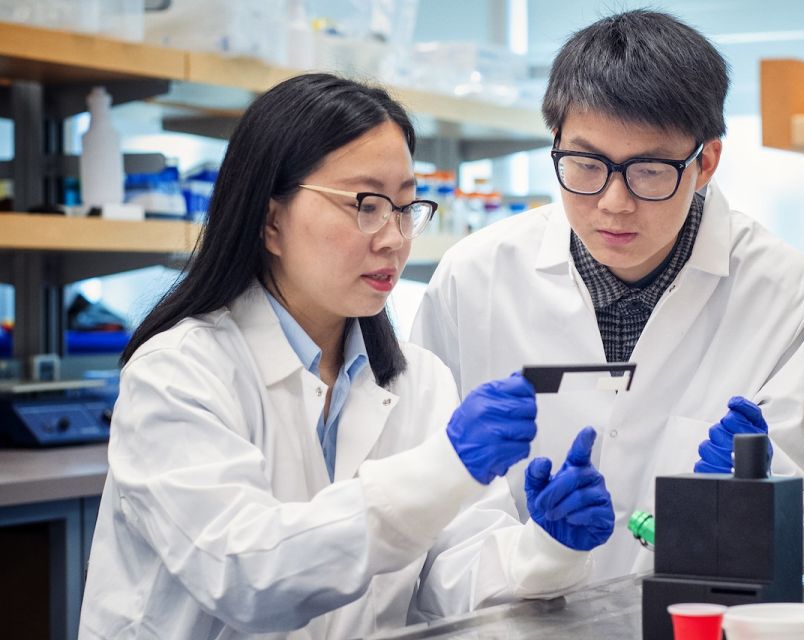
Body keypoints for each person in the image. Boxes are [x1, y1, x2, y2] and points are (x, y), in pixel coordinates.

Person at [80, 74, 615, 639]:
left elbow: (446, 577)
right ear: (270, 220)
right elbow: (246, 575)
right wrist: (444, 467)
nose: (393, 238)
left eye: (406, 206)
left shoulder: (418, 380)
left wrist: (547, 547)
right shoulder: (177, 373)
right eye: (366, 204)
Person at [411, 10, 804, 583]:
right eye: (586, 165)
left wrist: (754, 504)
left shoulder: (784, 291)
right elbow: (428, 514)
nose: (613, 202)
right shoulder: (474, 276)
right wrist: (530, 559)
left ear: (705, 162)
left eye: (650, 170)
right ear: (555, 145)